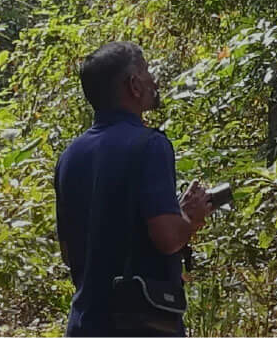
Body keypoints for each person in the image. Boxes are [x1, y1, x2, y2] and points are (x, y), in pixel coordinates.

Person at [55, 42, 213, 337]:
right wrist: (191, 218)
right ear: (134, 85)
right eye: (147, 71)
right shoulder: (150, 146)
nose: (154, 79)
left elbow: (68, 252)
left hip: (85, 323)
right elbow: (167, 238)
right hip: (142, 324)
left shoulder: (70, 156)